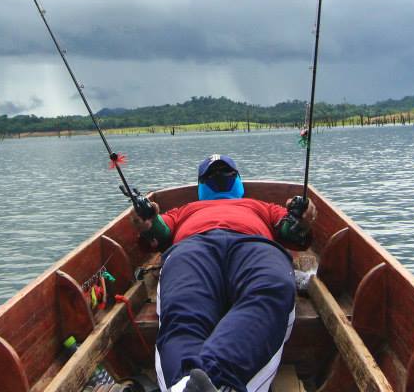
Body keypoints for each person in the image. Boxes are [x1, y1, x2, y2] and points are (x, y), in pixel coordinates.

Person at [132, 154, 317, 392]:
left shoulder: (261, 206)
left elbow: (291, 231)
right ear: (201, 184)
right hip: (194, 248)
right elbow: (160, 232)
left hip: (254, 246)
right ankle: (205, 383)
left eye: (228, 174)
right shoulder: (184, 210)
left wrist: (300, 218)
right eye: (211, 176)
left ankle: (194, 383)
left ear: (238, 179)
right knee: (183, 308)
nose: (220, 179)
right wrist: (148, 223)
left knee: (272, 289)